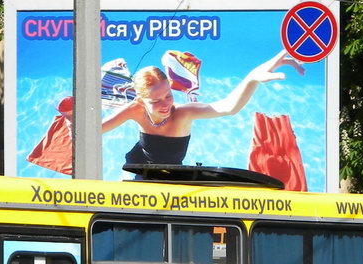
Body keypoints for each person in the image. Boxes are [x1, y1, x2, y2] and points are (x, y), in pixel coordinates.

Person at [102, 51, 303, 174]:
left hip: (171, 173)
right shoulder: (135, 110)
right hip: (136, 168)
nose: (165, 105)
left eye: (168, 96)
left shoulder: (183, 113)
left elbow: (229, 107)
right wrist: (70, 118)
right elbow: (96, 130)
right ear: (141, 99)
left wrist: (252, 79)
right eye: (155, 101)